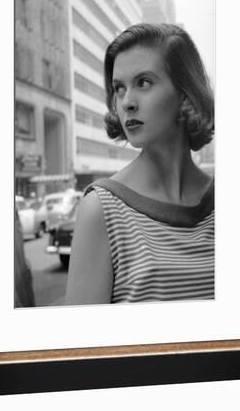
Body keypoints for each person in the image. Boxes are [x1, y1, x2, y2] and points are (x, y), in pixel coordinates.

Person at [65, 23, 214, 305]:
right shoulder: (102, 208)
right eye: (119, 88)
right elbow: (81, 342)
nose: (126, 103)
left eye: (143, 83)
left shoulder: (235, 202)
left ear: (185, 92)